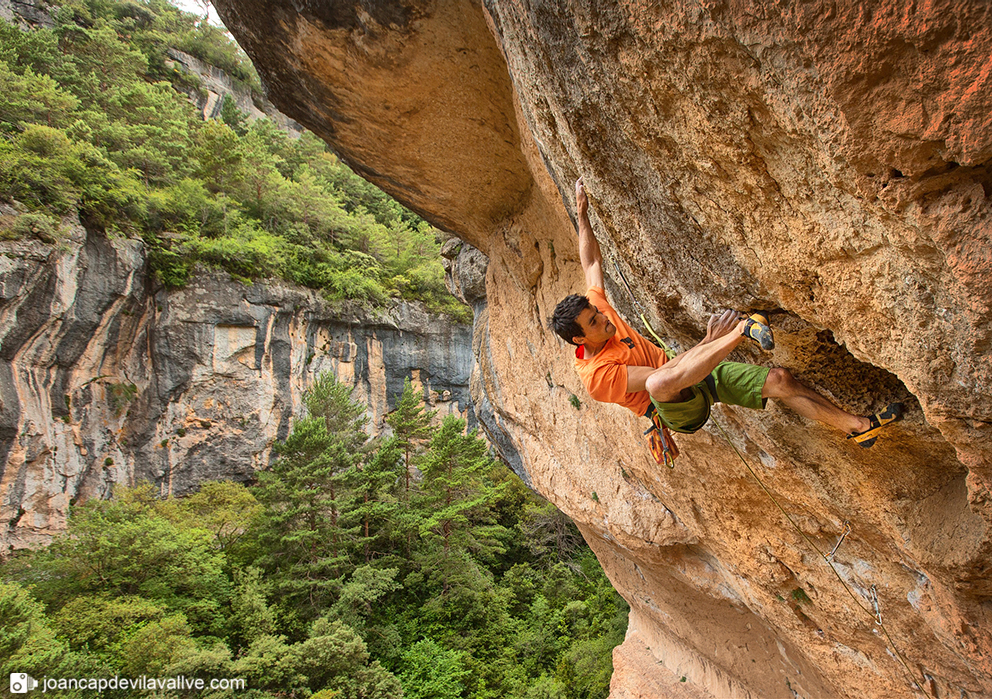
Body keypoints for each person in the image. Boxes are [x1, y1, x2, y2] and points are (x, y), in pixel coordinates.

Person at [549, 178, 901, 448]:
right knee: (657, 383)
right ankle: (741, 331)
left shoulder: (597, 311)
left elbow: (591, 261)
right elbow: (666, 374)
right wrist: (713, 340)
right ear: (580, 339)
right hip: (676, 408)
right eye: (594, 322)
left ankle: (857, 427)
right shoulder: (597, 377)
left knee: (780, 380)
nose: (604, 318)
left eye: (597, 311)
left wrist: (582, 214)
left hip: (691, 372)